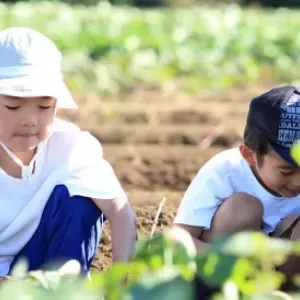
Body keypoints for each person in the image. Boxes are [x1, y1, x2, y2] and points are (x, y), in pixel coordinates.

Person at [0, 27, 136, 278]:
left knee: (80, 200)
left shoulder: (73, 147)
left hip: (44, 268)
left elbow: (121, 212)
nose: (30, 120)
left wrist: (122, 282)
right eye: (13, 106)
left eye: (44, 106)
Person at [173, 85, 300, 289]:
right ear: (250, 155)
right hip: (225, 271)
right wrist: (240, 262)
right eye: (286, 171)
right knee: (243, 207)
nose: (297, 182)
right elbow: (178, 240)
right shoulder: (224, 173)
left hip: (279, 282)